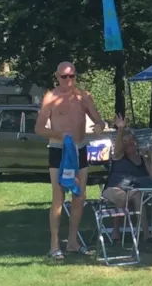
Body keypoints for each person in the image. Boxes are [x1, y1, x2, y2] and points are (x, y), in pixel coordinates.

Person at [35, 61, 105, 260]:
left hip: (79, 149)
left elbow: (98, 120)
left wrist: (100, 125)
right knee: (58, 197)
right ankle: (55, 244)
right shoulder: (51, 97)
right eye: (64, 77)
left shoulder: (83, 97)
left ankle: (73, 242)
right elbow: (39, 128)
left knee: (79, 196)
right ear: (57, 77)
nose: (68, 80)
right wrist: (57, 134)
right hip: (59, 150)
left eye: (71, 76)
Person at [103, 113, 152, 242]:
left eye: (131, 140)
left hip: (133, 189)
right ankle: (116, 233)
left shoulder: (142, 159)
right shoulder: (118, 156)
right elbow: (116, 150)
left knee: (137, 195)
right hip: (114, 188)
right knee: (122, 197)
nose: (129, 143)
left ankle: (146, 235)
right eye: (125, 141)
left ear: (136, 141)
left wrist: (151, 155)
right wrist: (121, 129)